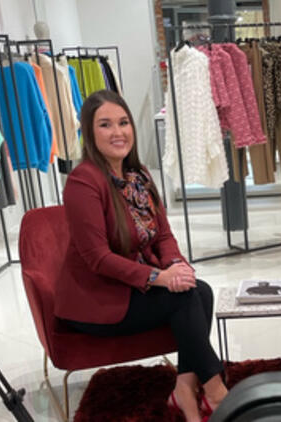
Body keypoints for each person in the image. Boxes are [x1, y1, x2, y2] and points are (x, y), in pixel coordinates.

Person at [55, 90, 226, 422]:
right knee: (183, 298)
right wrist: (159, 277)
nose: (117, 132)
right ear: (89, 132)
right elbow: (97, 258)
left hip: (131, 285)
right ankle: (216, 393)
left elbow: (163, 236)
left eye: (123, 122)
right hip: (97, 299)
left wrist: (177, 267)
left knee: (198, 290)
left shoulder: (139, 175)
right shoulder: (83, 181)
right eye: (105, 125)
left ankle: (184, 389)